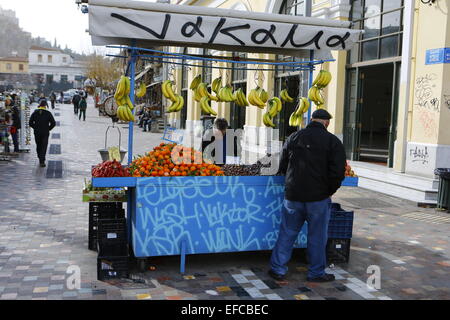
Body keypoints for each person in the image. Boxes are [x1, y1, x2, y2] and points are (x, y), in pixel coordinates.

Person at [269, 109, 346, 283]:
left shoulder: (294, 137)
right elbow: (338, 172)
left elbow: (283, 165)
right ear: (327, 123)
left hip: (293, 196)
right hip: (318, 198)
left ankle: (277, 269)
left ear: (311, 120)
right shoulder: (332, 141)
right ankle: (316, 273)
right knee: (317, 237)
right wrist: (328, 191)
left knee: (287, 233)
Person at [29, 100, 56, 167]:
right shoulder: (48, 113)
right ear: (45, 106)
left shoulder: (35, 113)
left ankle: (40, 157)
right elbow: (53, 123)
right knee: (44, 146)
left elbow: (30, 123)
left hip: (37, 132)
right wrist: (48, 128)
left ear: (39, 105)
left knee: (38, 145)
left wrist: (35, 127)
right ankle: (42, 160)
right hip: (45, 133)